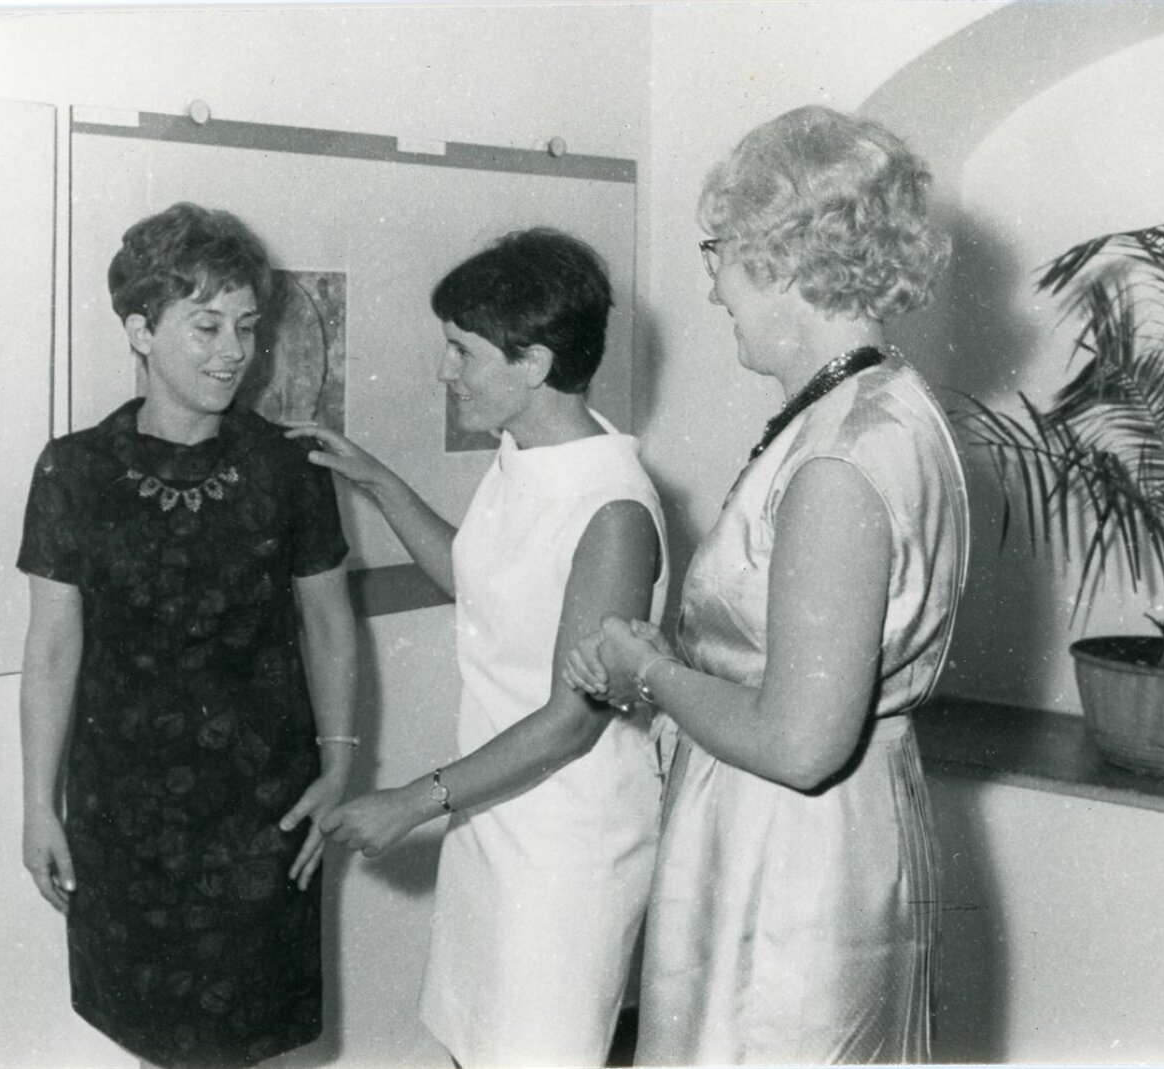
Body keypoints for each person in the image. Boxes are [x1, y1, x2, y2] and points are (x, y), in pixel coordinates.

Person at [564, 105, 969, 1064]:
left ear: (783, 254)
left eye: (719, 254)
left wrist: (648, 671)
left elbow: (798, 742)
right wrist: (681, 662)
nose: (712, 287)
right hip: (818, 835)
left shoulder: (841, 456)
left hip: (789, 863)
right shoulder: (878, 406)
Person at [288, 228, 669, 1068]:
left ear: (533, 363)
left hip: (565, 848)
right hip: (495, 819)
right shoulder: (524, 455)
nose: (444, 370)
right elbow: (480, 578)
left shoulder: (612, 510)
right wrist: (378, 481)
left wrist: (413, 801)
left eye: (463, 350)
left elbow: (571, 721)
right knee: (474, 1047)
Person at [16, 202, 357, 1069]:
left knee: (243, 1042)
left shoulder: (288, 466)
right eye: (206, 325)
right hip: (123, 813)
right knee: (154, 1041)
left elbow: (328, 621)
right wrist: (37, 804)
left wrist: (340, 762)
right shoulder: (73, 470)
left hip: (262, 807)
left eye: (246, 325)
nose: (233, 350)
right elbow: (52, 648)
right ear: (140, 329)